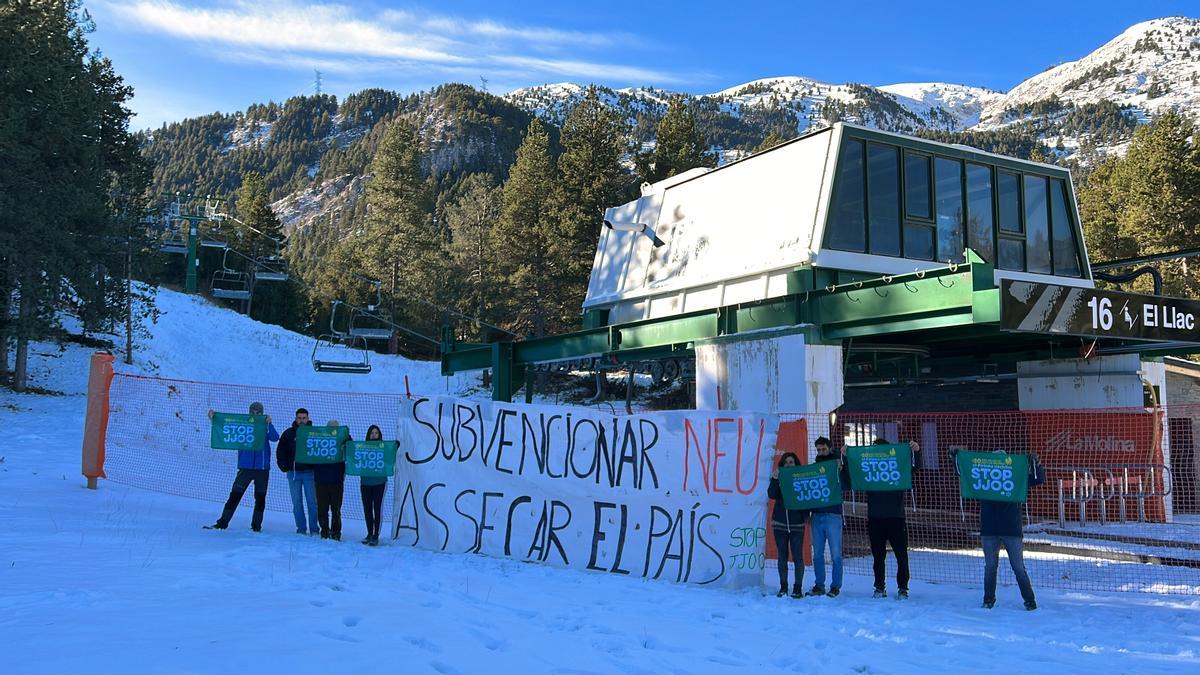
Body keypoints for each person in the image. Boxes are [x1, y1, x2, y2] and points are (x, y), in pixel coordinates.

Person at [959, 449, 1045, 611]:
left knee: (1012, 567)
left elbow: (1038, 478)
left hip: (1005, 529)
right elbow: (963, 472)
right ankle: (991, 599)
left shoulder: (1011, 478)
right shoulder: (985, 478)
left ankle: (1027, 600)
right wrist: (956, 458)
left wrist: (1037, 464)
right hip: (997, 529)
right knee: (998, 567)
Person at [863, 437, 921, 599]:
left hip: (896, 517)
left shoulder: (896, 465)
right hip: (875, 518)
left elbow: (914, 468)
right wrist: (845, 456)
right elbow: (852, 472)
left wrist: (916, 452)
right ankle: (879, 587)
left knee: (901, 555)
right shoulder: (868, 467)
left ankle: (903, 587)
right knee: (878, 556)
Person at [207, 402, 279, 532]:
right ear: (249, 412)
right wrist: (214, 418)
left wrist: (269, 423)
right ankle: (223, 522)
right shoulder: (243, 424)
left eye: (258, 412)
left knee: (260, 498)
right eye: (253, 412)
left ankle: (256, 526)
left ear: (262, 413)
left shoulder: (264, 425)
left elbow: (275, 437)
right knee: (235, 495)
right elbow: (226, 428)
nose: (255, 414)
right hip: (245, 468)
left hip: (262, 469)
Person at [808, 436, 851, 597]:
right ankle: (819, 585)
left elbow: (847, 485)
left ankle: (835, 586)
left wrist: (843, 467)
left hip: (833, 514)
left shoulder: (837, 465)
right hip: (817, 515)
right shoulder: (813, 468)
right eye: (818, 449)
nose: (821, 451)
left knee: (835, 553)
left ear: (830, 448)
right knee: (817, 553)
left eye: (823, 449)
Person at [767, 452, 810, 598]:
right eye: (786, 462)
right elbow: (772, 494)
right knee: (782, 555)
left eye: (791, 462)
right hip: (780, 523)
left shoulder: (801, 479)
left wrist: (805, 516)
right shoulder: (779, 478)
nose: (788, 464)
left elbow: (806, 498)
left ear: (796, 464)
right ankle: (783, 587)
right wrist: (774, 479)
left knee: (798, 556)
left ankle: (798, 588)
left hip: (797, 524)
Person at [276, 408, 319, 535]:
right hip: (293, 473)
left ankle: (314, 529)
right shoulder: (288, 433)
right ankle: (301, 529)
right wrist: (283, 466)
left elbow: (320, 451)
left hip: (310, 473)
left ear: (308, 419)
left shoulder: (314, 433)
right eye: (299, 418)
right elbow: (280, 451)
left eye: (304, 418)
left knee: (312, 502)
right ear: (296, 419)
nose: (302, 420)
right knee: (297, 503)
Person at [314, 420, 349, 541]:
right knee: (322, 508)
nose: (333, 430)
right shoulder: (320, 439)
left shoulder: (343, 439)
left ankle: (336, 532)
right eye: (331, 428)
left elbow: (351, 449)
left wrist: (346, 436)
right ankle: (324, 530)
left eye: (336, 428)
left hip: (337, 480)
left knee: (336, 509)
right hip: (320, 480)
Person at [359, 424, 391, 547]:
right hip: (365, 482)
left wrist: (395, 446)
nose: (374, 435)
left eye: (376, 433)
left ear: (379, 435)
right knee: (367, 508)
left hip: (379, 482)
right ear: (368, 435)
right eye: (372, 433)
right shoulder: (363, 447)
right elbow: (355, 458)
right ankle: (369, 533)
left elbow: (389, 458)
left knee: (376, 508)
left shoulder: (384, 448)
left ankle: (376, 535)